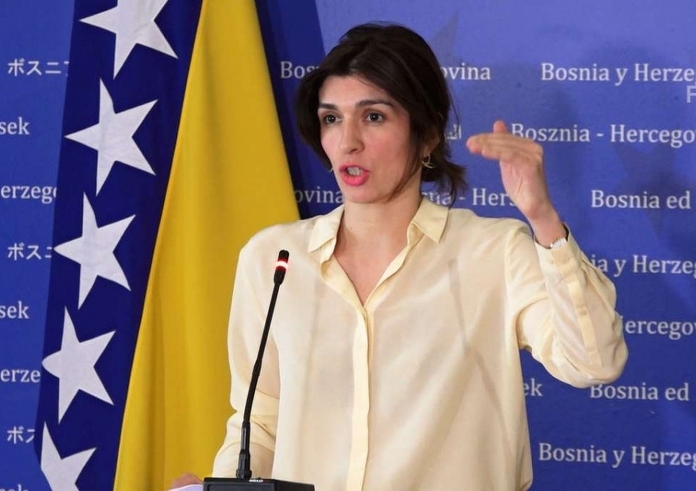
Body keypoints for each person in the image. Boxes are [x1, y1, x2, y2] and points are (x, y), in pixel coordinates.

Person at [172, 22, 627, 491]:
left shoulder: (494, 251)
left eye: (373, 117)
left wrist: (543, 218)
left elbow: (593, 362)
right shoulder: (274, 258)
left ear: (426, 135)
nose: (348, 141)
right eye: (331, 119)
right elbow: (260, 421)